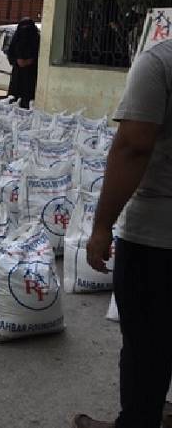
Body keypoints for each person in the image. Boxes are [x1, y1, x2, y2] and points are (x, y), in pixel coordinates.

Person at [73, 39, 172, 428]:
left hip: (159, 238)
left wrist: (101, 226)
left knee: (147, 346)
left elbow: (133, 145)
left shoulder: (160, 61)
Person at [7, 18, 40, 109]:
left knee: (28, 101)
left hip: (31, 74)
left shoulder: (36, 39)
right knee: (14, 101)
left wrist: (31, 60)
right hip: (17, 74)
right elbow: (10, 53)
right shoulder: (16, 38)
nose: (25, 31)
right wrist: (16, 61)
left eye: (27, 28)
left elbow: (41, 55)